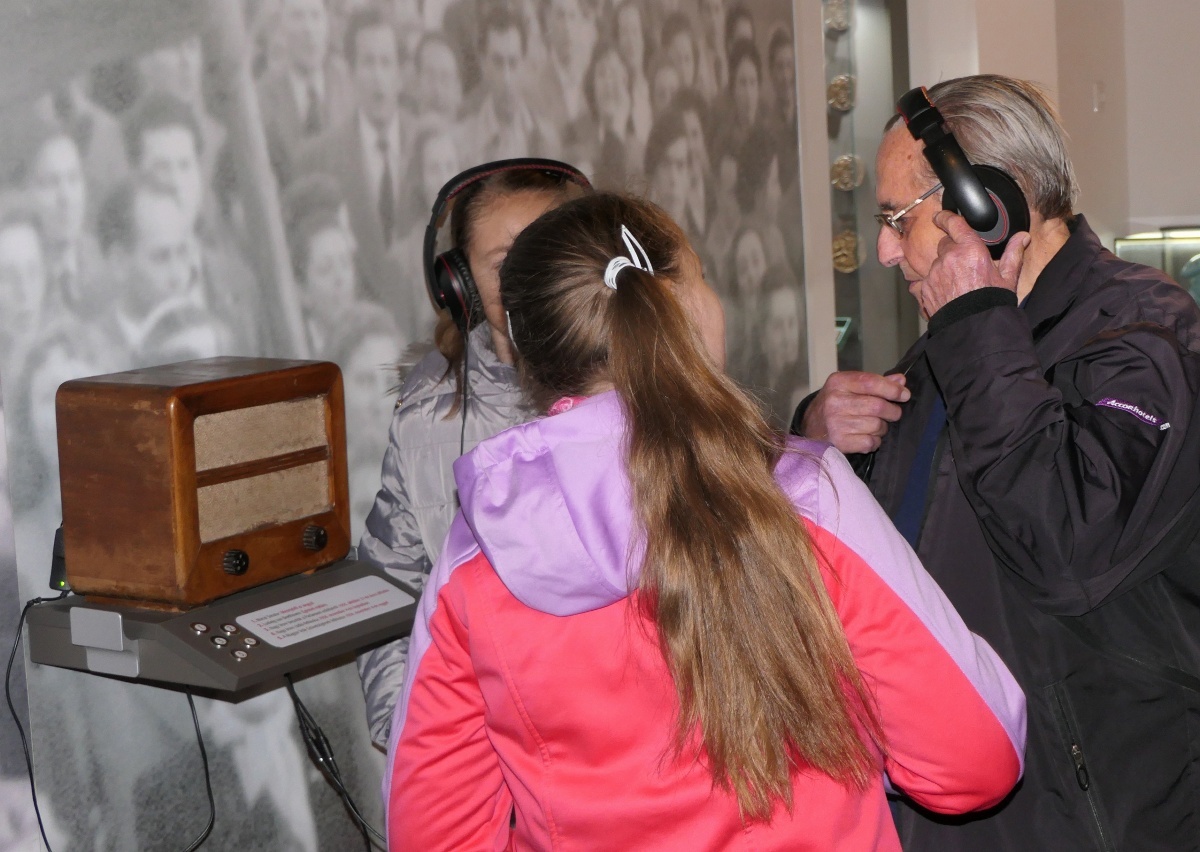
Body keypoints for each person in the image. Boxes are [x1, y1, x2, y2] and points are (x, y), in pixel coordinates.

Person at [385, 191, 1026, 847]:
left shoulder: (480, 553)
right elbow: (975, 761)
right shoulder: (805, 498)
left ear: (526, 347)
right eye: (703, 276)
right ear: (678, 308)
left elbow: (432, 834)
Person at [793, 74, 1200, 850]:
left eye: (897, 219)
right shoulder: (952, 346)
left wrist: (979, 324)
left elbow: (1067, 551)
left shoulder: (1146, 340)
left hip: (1089, 817)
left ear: (988, 205)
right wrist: (818, 436)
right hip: (955, 806)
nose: (884, 250)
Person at [354, 161, 589, 750]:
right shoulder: (426, 413)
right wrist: (409, 734)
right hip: (476, 751)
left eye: (547, 251)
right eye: (506, 262)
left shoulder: (631, 394)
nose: (530, 278)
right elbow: (390, 578)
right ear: (458, 284)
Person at [256, 0, 356, 186]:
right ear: (282, 28)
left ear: (327, 24)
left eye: (315, 16)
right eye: (298, 16)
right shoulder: (262, 96)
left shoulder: (351, 86)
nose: (309, 29)